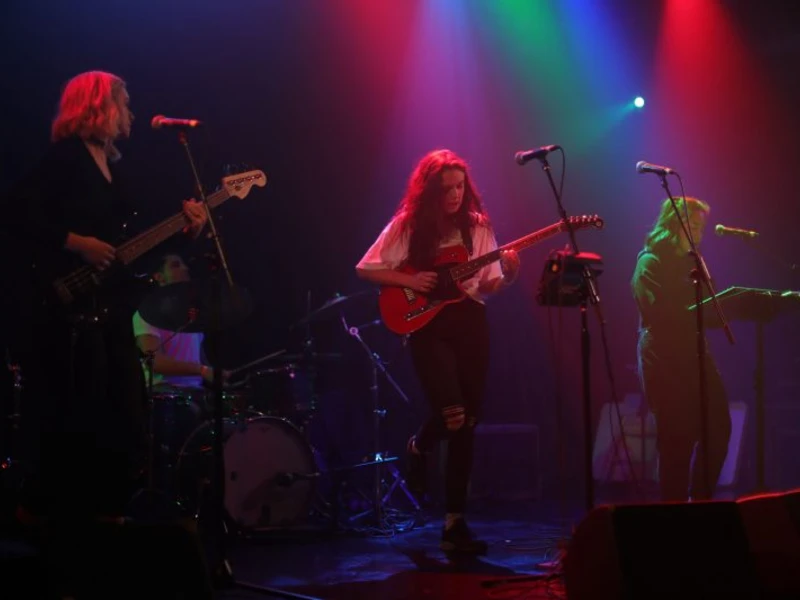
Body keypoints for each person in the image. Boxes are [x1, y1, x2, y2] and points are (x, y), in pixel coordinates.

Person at [0, 70, 208, 525]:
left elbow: (129, 245)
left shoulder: (111, 166)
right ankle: (48, 517)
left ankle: (107, 515)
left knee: (124, 417)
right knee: (76, 416)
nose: (130, 113)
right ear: (99, 106)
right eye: (124, 103)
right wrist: (76, 241)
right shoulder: (67, 158)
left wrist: (186, 229)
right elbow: (14, 210)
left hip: (106, 309)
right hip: (66, 312)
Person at [355, 148, 519, 553]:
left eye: (460, 187)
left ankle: (454, 520)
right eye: (446, 188)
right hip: (429, 327)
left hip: (470, 324)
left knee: (468, 421)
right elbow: (366, 268)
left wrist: (509, 276)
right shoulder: (409, 225)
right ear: (430, 191)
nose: (455, 195)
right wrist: (414, 279)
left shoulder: (477, 227)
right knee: (453, 413)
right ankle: (422, 445)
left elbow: (487, 285)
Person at [632, 196, 732, 502]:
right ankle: (673, 513)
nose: (698, 233)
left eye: (700, 227)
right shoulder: (650, 261)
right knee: (676, 439)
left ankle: (700, 501)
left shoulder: (694, 261)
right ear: (673, 225)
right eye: (692, 225)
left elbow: (711, 307)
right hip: (664, 357)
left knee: (718, 427)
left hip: (696, 354)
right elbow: (657, 311)